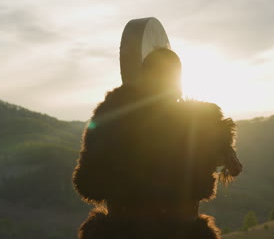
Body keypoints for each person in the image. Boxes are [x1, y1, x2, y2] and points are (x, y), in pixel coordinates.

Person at [73, 48, 242, 239]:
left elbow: (88, 185)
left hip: (120, 231)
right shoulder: (199, 119)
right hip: (182, 232)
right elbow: (228, 169)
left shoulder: (109, 116)